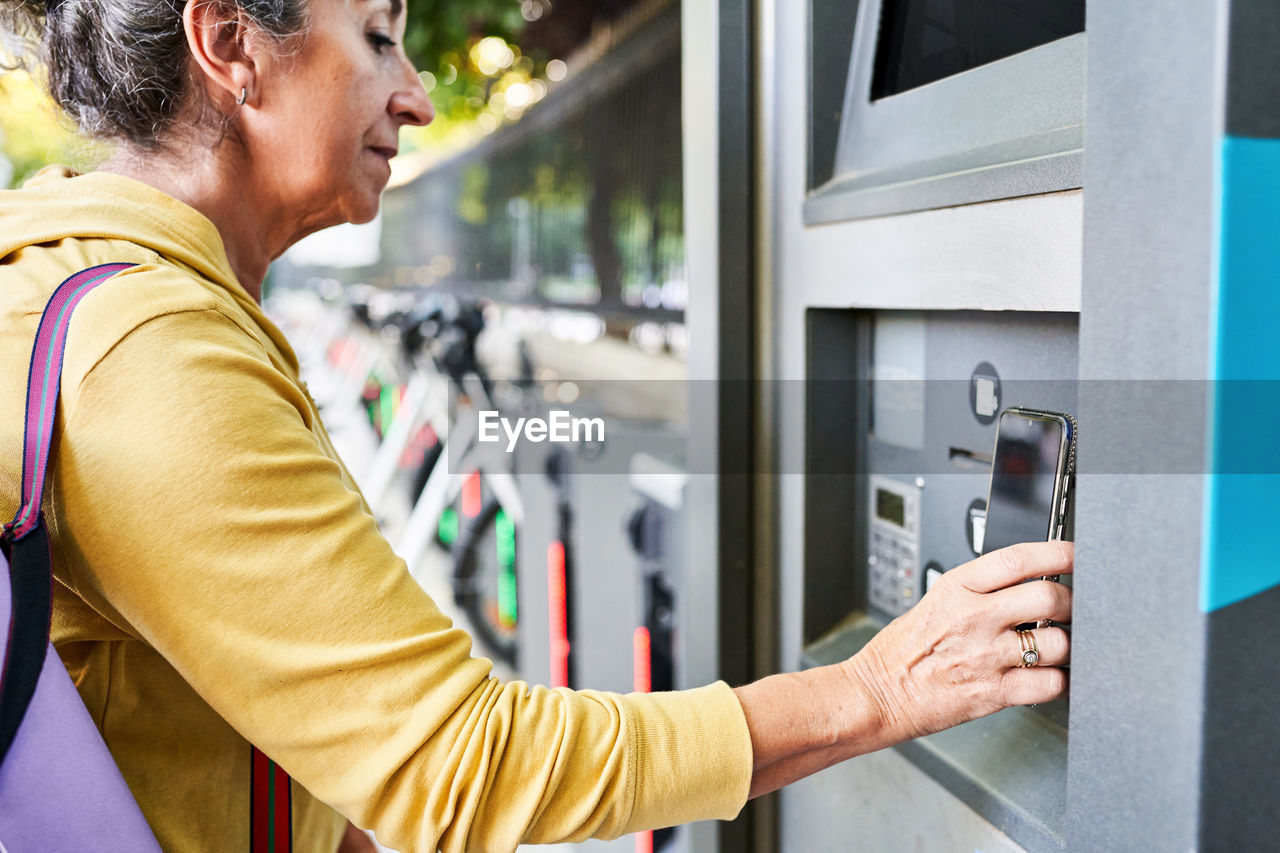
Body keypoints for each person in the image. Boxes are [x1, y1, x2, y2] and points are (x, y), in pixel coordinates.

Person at [0, 0, 1074, 850]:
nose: (415, 98)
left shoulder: (72, 284)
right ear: (230, 41)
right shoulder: (148, 349)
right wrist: (875, 687)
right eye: (378, 36)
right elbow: (458, 765)